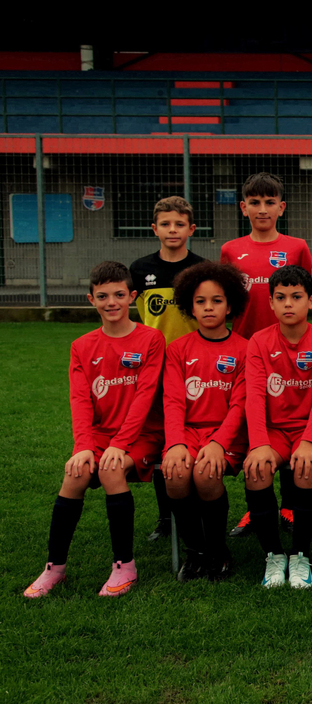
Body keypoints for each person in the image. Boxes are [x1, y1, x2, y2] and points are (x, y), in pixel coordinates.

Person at [25, 262, 165, 598]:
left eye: (119, 294)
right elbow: (80, 400)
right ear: (91, 299)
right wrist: (83, 446)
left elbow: (145, 395)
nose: (111, 302)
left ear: (132, 296)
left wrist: (120, 443)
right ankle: (54, 568)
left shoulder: (151, 338)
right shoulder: (82, 346)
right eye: (102, 296)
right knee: (74, 474)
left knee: (111, 469)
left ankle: (124, 566)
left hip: (143, 435)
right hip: (100, 436)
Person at [222, 173, 312, 539]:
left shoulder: (297, 246)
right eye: (255, 203)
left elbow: (303, 294)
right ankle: (254, 507)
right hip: (248, 349)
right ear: (243, 208)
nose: (263, 209)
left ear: (281, 207)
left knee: (290, 419)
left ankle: (289, 505)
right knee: (254, 421)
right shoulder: (231, 250)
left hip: (289, 350)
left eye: (270, 202)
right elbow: (227, 301)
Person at [243, 265, 312, 589]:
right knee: (257, 470)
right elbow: (254, 396)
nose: (288, 303)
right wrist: (258, 443)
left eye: (296, 296)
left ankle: (300, 554)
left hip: (310, 430)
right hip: (273, 431)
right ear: (270, 303)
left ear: (311, 301)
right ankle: (273, 554)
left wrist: (311, 440)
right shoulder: (258, 342)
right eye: (280, 297)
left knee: (307, 468)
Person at [160, 262, 250, 582]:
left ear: (230, 305)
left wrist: (218, 443)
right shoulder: (178, 349)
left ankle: (217, 550)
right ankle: (195, 552)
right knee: (176, 474)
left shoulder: (245, 349)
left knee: (206, 473)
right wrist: (175, 442)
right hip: (186, 432)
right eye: (201, 301)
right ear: (190, 306)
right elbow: (173, 401)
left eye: (217, 300)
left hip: (226, 434)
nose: (209, 307)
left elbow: (240, 405)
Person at [128, 196, 205, 541]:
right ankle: (166, 516)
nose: (172, 230)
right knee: (164, 443)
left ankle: (197, 512)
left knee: (195, 438)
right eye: (165, 224)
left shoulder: (202, 270)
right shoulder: (139, 269)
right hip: (156, 369)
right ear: (154, 229)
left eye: (179, 224)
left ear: (191, 229)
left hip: (197, 368)